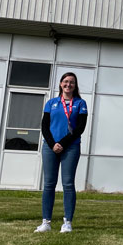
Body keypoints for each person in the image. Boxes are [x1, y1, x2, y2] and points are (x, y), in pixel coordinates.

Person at [35, 72, 88, 234]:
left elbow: (80, 128)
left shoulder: (80, 103)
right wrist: (53, 144)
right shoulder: (51, 103)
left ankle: (67, 222)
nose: (68, 85)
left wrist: (63, 143)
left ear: (75, 85)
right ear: (60, 84)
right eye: (65, 81)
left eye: (71, 82)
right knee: (49, 184)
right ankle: (46, 222)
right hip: (50, 147)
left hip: (70, 147)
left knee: (68, 184)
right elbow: (44, 126)